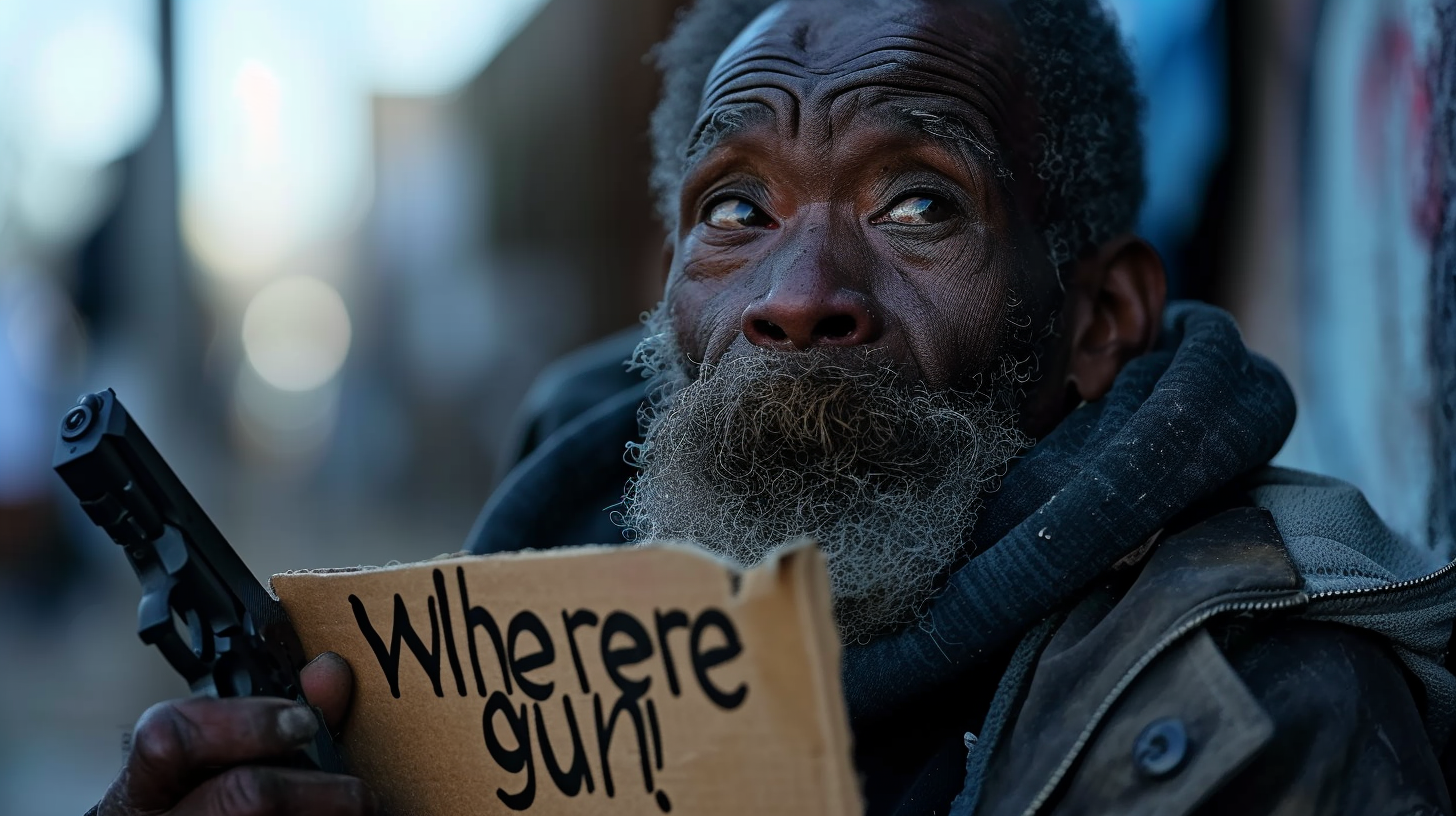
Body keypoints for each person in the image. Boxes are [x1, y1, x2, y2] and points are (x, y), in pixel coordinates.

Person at [88, 0, 1456, 814]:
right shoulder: (476, 679)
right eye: (735, 209)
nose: (798, 296)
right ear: (668, 288)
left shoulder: (1263, 715)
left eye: (919, 202)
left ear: (1097, 322)